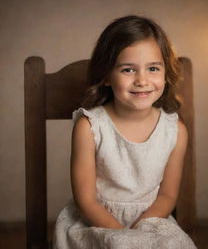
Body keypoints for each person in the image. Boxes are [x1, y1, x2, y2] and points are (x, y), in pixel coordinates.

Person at [54, 15, 197, 248]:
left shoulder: (175, 131)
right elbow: (86, 200)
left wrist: (140, 232)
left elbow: (167, 197)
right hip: (96, 221)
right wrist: (123, 237)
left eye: (152, 68)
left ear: (165, 73)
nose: (142, 80)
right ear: (107, 76)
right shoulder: (90, 126)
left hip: (151, 219)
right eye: (128, 70)